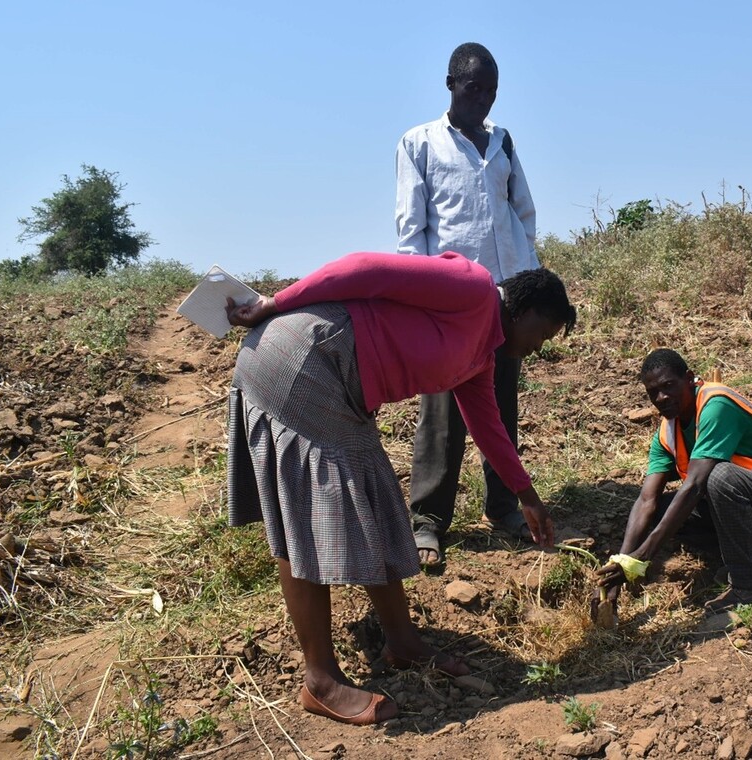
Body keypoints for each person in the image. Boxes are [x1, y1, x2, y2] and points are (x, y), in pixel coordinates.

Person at [226, 251, 576, 726]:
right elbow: (364, 269)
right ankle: (320, 680)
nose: (538, 348)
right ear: (527, 309)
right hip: (303, 361)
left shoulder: (479, 355)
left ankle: (402, 641)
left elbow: (487, 426)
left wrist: (527, 496)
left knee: (376, 499)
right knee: (306, 517)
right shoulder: (472, 286)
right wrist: (277, 301)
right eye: (543, 334)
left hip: (333, 380)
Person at [395, 42, 540, 567]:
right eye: (472, 86)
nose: (481, 97)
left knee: (501, 406)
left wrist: (527, 283)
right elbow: (412, 229)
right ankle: (429, 520)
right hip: (451, 301)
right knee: (443, 410)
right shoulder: (420, 143)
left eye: (490, 90)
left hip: (505, 299)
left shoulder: (502, 142)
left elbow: (522, 215)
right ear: (451, 84)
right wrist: (419, 297)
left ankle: (503, 507)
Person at [596, 349, 752, 616]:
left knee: (719, 478)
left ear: (690, 378)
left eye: (669, 386)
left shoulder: (716, 405)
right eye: (653, 392)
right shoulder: (667, 432)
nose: (662, 398)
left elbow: (694, 486)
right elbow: (647, 499)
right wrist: (622, 563)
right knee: (660, 510)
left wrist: (644, 554)